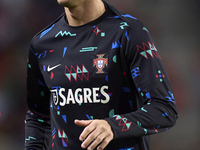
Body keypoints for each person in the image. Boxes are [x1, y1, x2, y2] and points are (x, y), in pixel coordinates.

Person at [24, 0, 178, 150]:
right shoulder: (41, 45)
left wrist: (113, 125)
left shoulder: (128, 32)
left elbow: (164, 109)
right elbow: (38, 116)